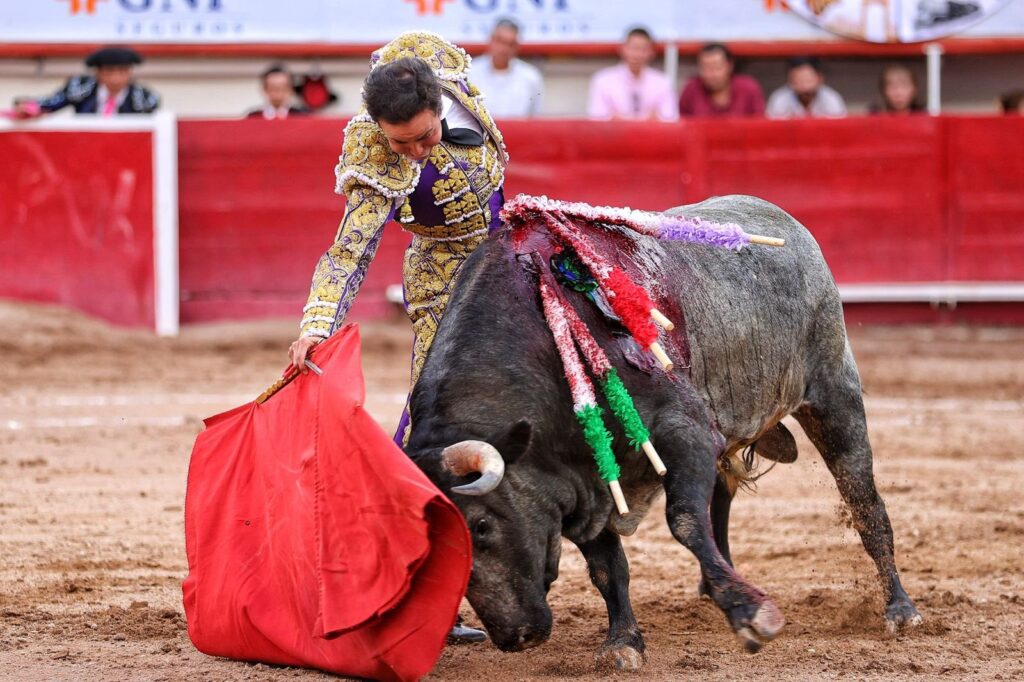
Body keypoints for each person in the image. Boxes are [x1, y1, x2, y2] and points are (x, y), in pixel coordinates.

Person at [288, 29, 506, 542]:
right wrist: (318, 325)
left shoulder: (430, 59)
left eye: (425, 136)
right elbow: (349, 251)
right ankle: (404, 537)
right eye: (399, 142)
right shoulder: (374, 158)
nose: (413, 152)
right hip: (443, 274)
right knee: (435, 404)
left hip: (508, 248)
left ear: (440, 101)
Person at [13, 46, 158, 118]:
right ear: (99, 73)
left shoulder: (143, 97)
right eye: (110, 71)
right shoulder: (82, 88)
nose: (116, 78)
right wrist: (30, 106)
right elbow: (53, 102)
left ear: (129, 73)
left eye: (122, 72)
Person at [586, 27, 677, 122]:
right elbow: (596, 119)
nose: (637, 54)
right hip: (614, 135)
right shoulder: (603, 80)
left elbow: (670, 119)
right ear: (622, 49)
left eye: (643, 49)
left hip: (651, 135)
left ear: (652, 53)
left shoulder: (662, 82)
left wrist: (619, 119)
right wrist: (648, 119)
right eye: (634, 48)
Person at [470, 18, 543, 118]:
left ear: (517, 47)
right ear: (491, 40)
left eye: (511, 44)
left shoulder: (530, 77)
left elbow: (535, 117)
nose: (504, 49)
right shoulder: (470, 73)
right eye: (500, 41)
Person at [679, 43, 764, 118]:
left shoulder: (748, 89)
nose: (711, 74)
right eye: (705, 68)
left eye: (717, 67)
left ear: (729, 66)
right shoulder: (691, 90)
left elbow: (760, 126)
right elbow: (681, 126)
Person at [766, 56, 847, 119]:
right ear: (790, 81)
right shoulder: (780, 99)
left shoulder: (831, 99)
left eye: (809, 80)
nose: (805, 87)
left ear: (820, 78)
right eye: (799, 81)